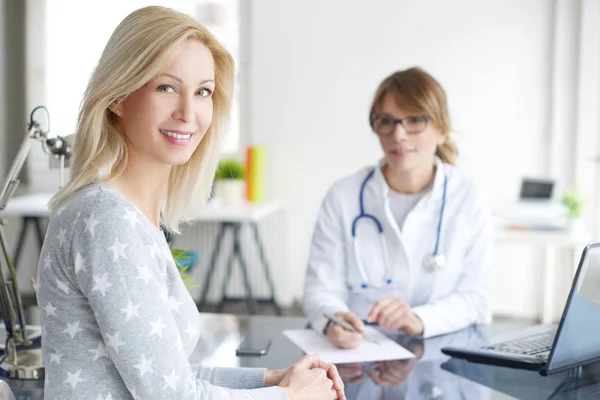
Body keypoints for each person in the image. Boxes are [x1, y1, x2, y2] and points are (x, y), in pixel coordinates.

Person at [37, 6, 344, 400]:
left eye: (203, 92)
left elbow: (166, 373)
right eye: (166, 87)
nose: (188, 113)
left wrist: (273, 379)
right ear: (117, 96)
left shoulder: (135, 217)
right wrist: (291, 397)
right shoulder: (105, 219)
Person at [302, 67, 492, 349]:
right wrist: (334, 320)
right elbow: (320, 290)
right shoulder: (344, 196)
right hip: (359, 353)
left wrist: (419, 319)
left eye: (414, 120)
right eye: (386, 121)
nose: (398, 134)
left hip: (440, 353)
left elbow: (476, 297)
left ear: (442, 129)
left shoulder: (467, 196)